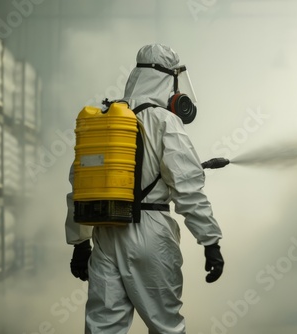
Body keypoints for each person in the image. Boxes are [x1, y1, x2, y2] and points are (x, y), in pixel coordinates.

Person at [65, 43, 224, 334]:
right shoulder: (165, 121)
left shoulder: (104, 119)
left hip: (106, 230)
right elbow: (187, 189)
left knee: (103, 327)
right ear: (168, 80)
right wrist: (210, 241)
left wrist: (80, 243)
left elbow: (80, 183)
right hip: (150, 233)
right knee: (166, 326)